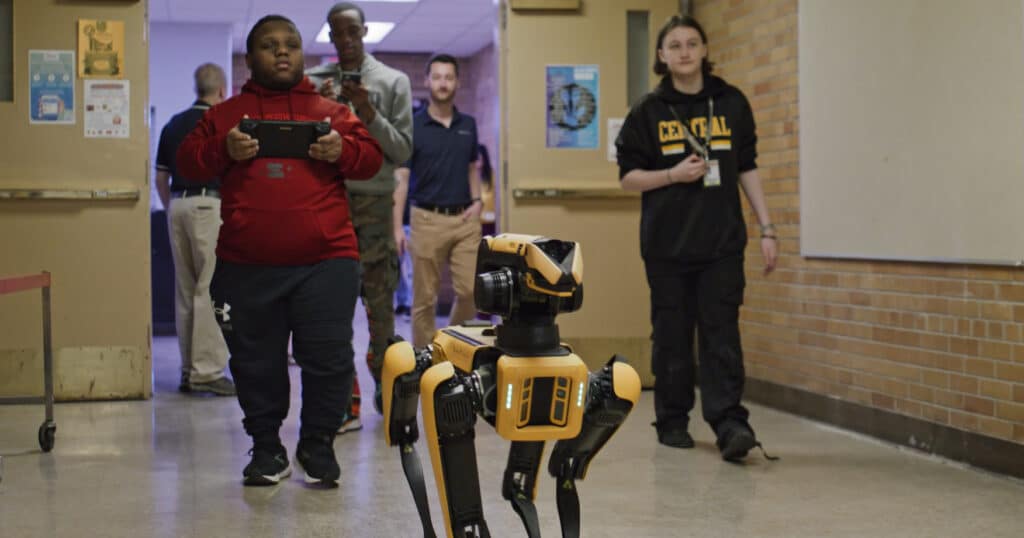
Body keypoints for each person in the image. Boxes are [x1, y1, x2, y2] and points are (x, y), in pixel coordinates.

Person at [176, 14, 383, 487]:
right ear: (251, 59)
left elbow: (370, 159)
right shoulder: (226, 114)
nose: (283, 51)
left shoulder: (329, 112)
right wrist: (224, 150)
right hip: (247, 264)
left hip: (326, 261)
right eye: (270, 45)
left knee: (329, 358)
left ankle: (317, 445)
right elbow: (188, 161)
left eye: (291, 44)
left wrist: (342, 151)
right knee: (256, 363)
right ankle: (267, 449)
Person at [615, 14, 778, 462]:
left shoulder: (731, 103)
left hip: (721, 244)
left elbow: (746, 167)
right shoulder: (648, 111)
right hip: (667, 247)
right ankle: (671, 420)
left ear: (705, 50)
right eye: (675, 45)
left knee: (722, 333)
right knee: (671, 335)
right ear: (662, 57)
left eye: (692, 43)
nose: (684, 51)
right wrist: (672, 174)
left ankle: (730, 423)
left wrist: (767, 227)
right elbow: (628, 179)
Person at [306, 1, 413, 433]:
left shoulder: (392, 82)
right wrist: (320, 109)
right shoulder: (313, 84)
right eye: (338, 33)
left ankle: (387, 390)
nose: (346, 40)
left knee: (380, 305)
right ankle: (343, 399)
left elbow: (402, 150)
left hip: (372, 204)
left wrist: (367, 112)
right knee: (330, 310)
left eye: (353, 32)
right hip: (326, 202)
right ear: (329, 37)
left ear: (365, 32)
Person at [154, 63, 235, 397]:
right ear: (222, 91)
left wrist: (172, 204)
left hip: (177, 205)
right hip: (208, 205)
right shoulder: (220, 123)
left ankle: (189, 370)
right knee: (210, 288)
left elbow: (161, 176)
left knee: (186, 289)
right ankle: (207, 371)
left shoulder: (173, 124)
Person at [395, 54, 482, 348]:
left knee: (471, 291)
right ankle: (425, 363)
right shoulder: (414, 126)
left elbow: (473, 168)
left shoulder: (468, 124)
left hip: (465, 219)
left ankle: (448, 346)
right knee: (424, 301)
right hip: (426, 220)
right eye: (437, 77)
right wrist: (396, 227)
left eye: (448, 77)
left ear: (457, 82)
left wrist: (478, 200)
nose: (443, 83)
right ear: (427, 81)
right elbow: (401, 179)